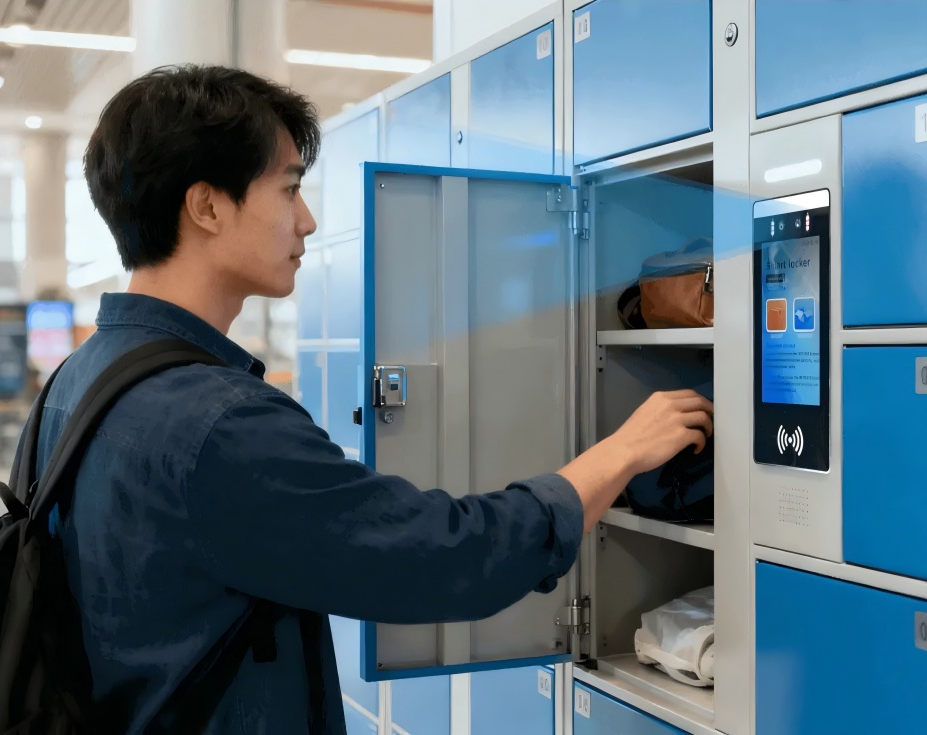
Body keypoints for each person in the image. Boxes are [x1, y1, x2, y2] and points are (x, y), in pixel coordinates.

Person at [37, 64, 713, 733]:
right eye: (289, 188)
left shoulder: (77, 382)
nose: (306, 219)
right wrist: (619, 453)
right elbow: (441, 556)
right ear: (207, 204)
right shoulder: (218, 422)